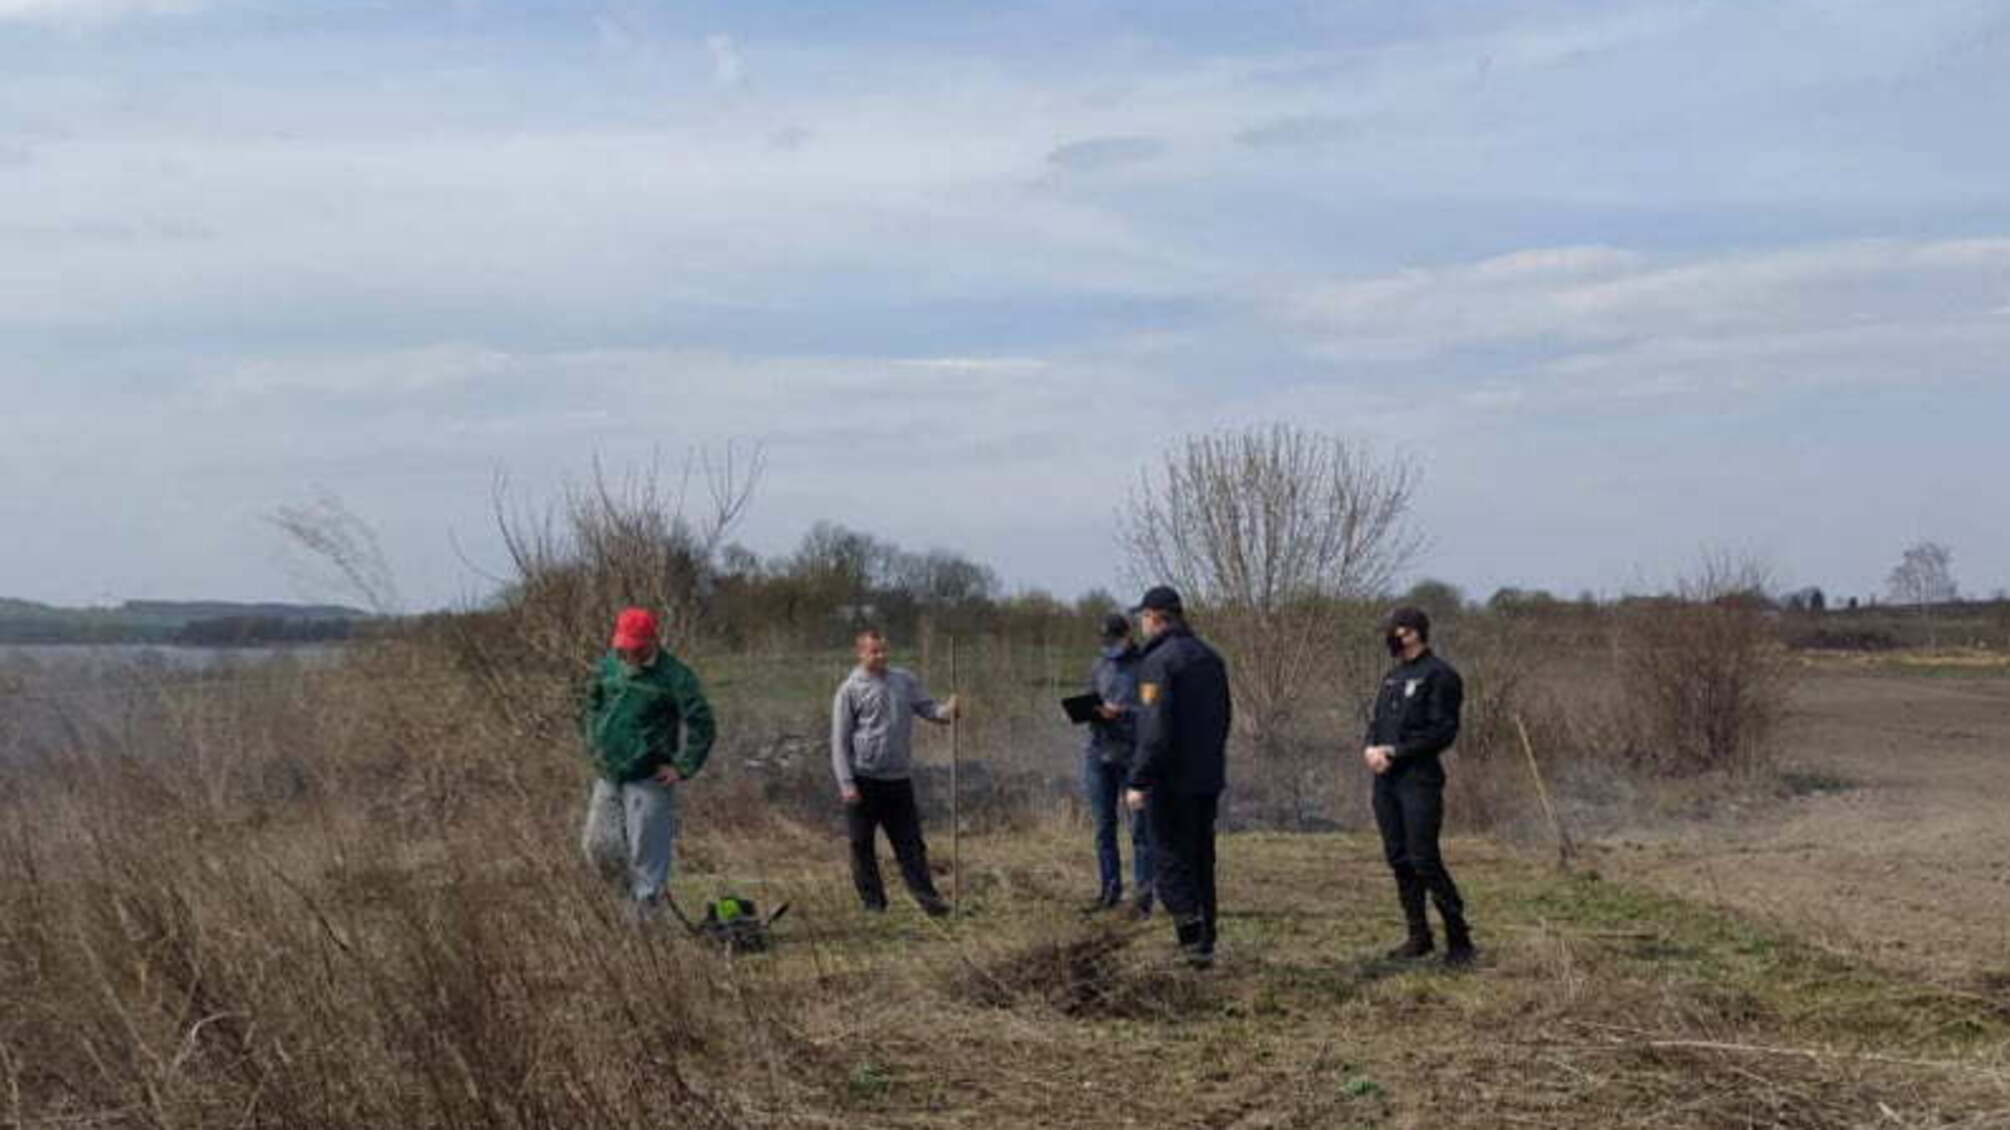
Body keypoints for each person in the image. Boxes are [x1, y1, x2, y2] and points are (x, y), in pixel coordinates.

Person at [579, 606, 716, 921]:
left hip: (649, 778)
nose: (629, 654)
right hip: (608, 773)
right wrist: (593, 740)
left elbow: (703, 724)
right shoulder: (608, 666)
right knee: (597, 847)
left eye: (636, 647)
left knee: (648, 860)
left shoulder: (675, 677)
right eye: (624, 647)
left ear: (651, 640)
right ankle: (629, 904)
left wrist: (683, 766)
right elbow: (591, 702)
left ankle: (647, 929)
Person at [1123, 586, 1232, 967]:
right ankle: (1207, 943)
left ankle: (1191, 946)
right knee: (1202, 861)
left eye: (1143, 617)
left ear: (1156, 616)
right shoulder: (1211, 658)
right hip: (1206, 777)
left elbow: (1154, 730)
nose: (1141, 624)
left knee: (1169, 865)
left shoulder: (1158, 663)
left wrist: (1138, 779)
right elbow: (1224, 719)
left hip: (1170, 782)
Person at [1363, 606, 1475, 966]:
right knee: (1398, 856)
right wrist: (1371, 748)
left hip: (1419, 781)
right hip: (1386, 782)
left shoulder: (1440, 675)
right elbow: (1377, 722)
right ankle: (1418, 935)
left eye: (1395, 631)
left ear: (1412, 633)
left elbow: (1443, 731)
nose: (1390, 638)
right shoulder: (1392, 677)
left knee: (1423, 857)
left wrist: (1397, 751)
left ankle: (1459, 938)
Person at [831, 627, 960, 917]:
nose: (881, 656)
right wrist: (846, 783)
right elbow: (839, 742)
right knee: (861, 845)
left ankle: (930, 902)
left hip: (898, 779)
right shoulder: (849, 690)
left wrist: (948, 711)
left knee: (911, 844)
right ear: (860, 653)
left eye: (884, 650)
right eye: (874, 651)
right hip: (863, 779)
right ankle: (874, 904)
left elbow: (929, 710)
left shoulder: (904, 681)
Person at [1082, 612, 1153, 916]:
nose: (1110, 646)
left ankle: (1142, 898)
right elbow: (1087, 700)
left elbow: (1153, 710)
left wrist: (1122, 712)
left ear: (1128, 636)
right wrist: (1089, 710)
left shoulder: (1147, 666)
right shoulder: (1098, 665)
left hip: (1133, 758)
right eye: (1105, 641)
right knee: (1103, 828)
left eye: (1115, 640)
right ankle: (1109, 891)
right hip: (1099, 754)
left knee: (1140, 829)